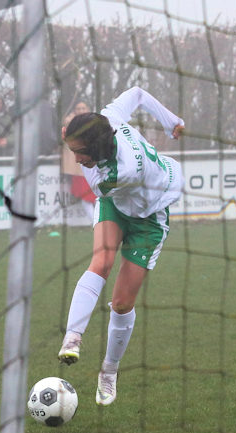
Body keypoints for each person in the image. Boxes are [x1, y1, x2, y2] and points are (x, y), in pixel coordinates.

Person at [57, 88, 185, 406]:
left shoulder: (121, 171)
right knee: (101, 260)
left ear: (97, 152)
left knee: (122, 304)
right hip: (118, 204)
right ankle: (73, 337)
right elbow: (139, 92)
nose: (75, 158)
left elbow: (97, 184)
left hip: (150, 216)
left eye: (79, 153)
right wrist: (172, 121)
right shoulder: (108, 118)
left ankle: (109, 371)